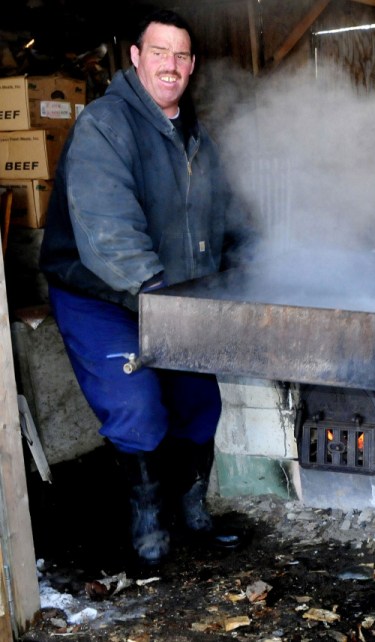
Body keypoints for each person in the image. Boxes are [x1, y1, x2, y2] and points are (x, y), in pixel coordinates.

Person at [39, 9, 252, 566]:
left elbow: (229, 218)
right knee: (137, 407)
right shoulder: (105, 126)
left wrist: (258, 265)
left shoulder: (195, 135)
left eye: (181, 55)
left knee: (200, 402)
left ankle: (191, 510)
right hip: (103, 296)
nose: (171, 65)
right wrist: (153, 289)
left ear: (192, 65)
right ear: (135, 57)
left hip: (172, 296)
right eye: (159, 52)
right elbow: (108, 229)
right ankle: (148, 523)